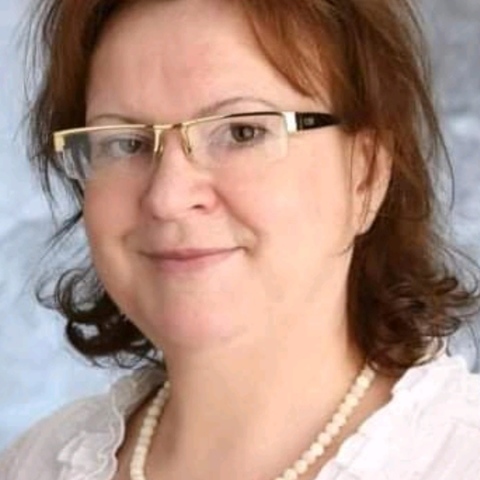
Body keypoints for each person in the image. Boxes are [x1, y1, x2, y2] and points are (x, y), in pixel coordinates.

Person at [1, 0, 480, 478]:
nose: (168, 197)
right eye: (125, 142)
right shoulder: (34, 464)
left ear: (366, 174)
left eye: (242, 132)